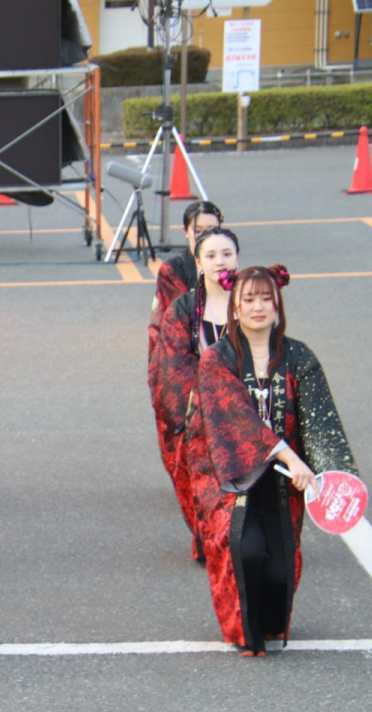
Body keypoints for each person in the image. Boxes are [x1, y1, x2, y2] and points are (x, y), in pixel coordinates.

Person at [188, 265, 358, 657]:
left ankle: (270, 626)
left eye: (266, 299)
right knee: (245, 550)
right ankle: (244, 632)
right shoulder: (217, 358)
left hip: (285, 480)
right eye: (248, 299)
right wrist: (287, 455)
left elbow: (320, 420)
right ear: (234, 307)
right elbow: (235, 418)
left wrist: (334, 478)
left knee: (281, 566)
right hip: (231, 475)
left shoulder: (299, 356)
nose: (258, 307)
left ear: (278, 304)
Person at [150, 227, 239, 562]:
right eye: (211, 256)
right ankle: (212, 547)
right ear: (198, 263)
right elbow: (174, 368)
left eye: (227, 254)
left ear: (238, 258)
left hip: (249, 417)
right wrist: (203, 406)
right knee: (209, 494)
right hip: (202, 417)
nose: (220, 262)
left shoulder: (250, 301)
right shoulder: (184, 309)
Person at [148, 201, 224, 358]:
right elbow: (167, 322)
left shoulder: (226, 265)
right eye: (198, 231)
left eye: (212, 230)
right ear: (186, 231)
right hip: (183, 353)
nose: (205, 236)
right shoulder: (173, 270)